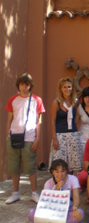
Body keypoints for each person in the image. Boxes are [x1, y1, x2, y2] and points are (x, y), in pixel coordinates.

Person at [5, 73, 45, 204]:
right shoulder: (13, 100)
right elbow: (9, 119)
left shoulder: (36, 100)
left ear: (30, 85)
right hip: (14, 136)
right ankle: (15, 193)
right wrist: (7, 136)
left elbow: (39, 121)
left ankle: (34, 193)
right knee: (14, 167)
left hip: (29, 137)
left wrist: (37, 138)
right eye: (22, 84)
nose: (24, 87)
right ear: (18, 85)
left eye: (26, 84)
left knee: (31, 167)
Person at [28, 159, 84, 223]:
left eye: (62, 171)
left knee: (80, 214)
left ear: (66, 171)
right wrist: (56, 189)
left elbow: (76, 196)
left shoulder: (73, 179)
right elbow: (46, 203)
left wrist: (75, 207)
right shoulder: (48, 183)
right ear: (53, 172)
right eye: (56, 171)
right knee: (31, 214)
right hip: (52, 210)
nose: (60, 174)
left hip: (67, 209)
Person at [49, 77, 82, 174]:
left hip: (72, 135)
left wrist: (74, 128)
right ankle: (60, 185)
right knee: (59, 162)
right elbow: (52, 121)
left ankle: (69, 185)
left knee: (71, 164)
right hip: (60, 135)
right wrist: (54, 138)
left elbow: (77, 117)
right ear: (60, 89)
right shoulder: (56, 103)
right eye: (65, 87)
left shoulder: (75, 101)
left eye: (69, 87)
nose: (67, 89)